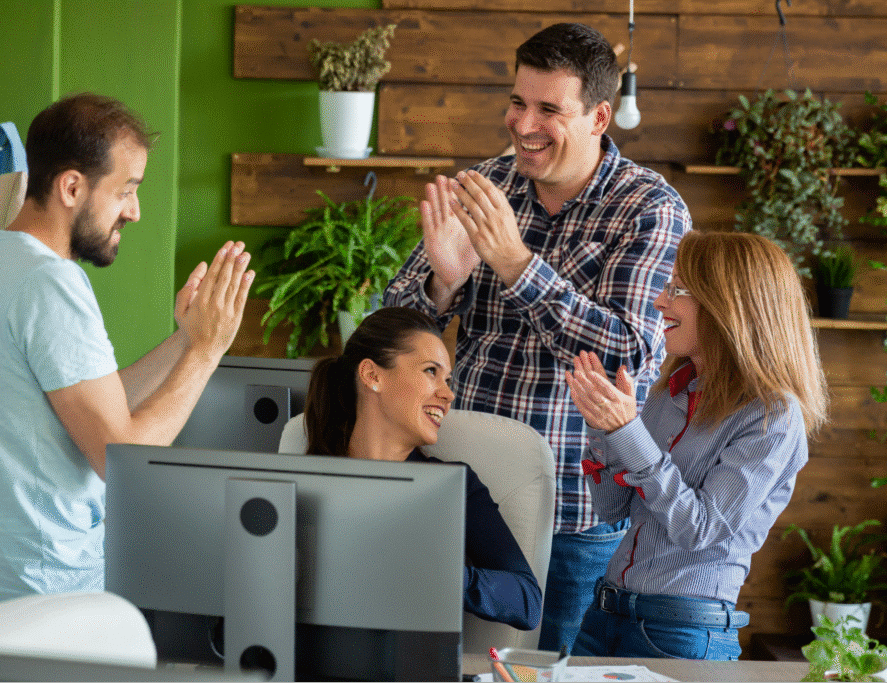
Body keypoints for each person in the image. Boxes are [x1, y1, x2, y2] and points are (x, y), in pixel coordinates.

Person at [383, 22, 690, 649]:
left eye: (548, 109)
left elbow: (629, 353)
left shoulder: (649, 210)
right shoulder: (488, 184)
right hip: (460, 493)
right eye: (518, 102)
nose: (523, 124)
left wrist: (519, 267)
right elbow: (392, 328)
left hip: (573, 516)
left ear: (600, 115)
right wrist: (440, 286)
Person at [0, 93, 255, 618]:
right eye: (126, 190)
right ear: (71, 187)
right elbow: (124, 460)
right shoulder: (48, 284)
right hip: (39, 605)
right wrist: (209, 351)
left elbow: (90, 400)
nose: (135, 211)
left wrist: (185, 340)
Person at [565, 231, 828, 659]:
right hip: (603, 617)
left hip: (680, 634)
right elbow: (612, 509)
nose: (660, 302)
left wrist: (628, 432)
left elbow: (700, 529)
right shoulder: (667, 392)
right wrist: (604, 429)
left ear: (732, 303)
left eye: (678, 289)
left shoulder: (772, 415)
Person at [303, 306, 542, 631]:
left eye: (447, 379)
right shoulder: (305, 479)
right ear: (373, 376)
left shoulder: (453, 484)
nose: (447, 393)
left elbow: (526, 602)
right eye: (431, 371)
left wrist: (439, 572)